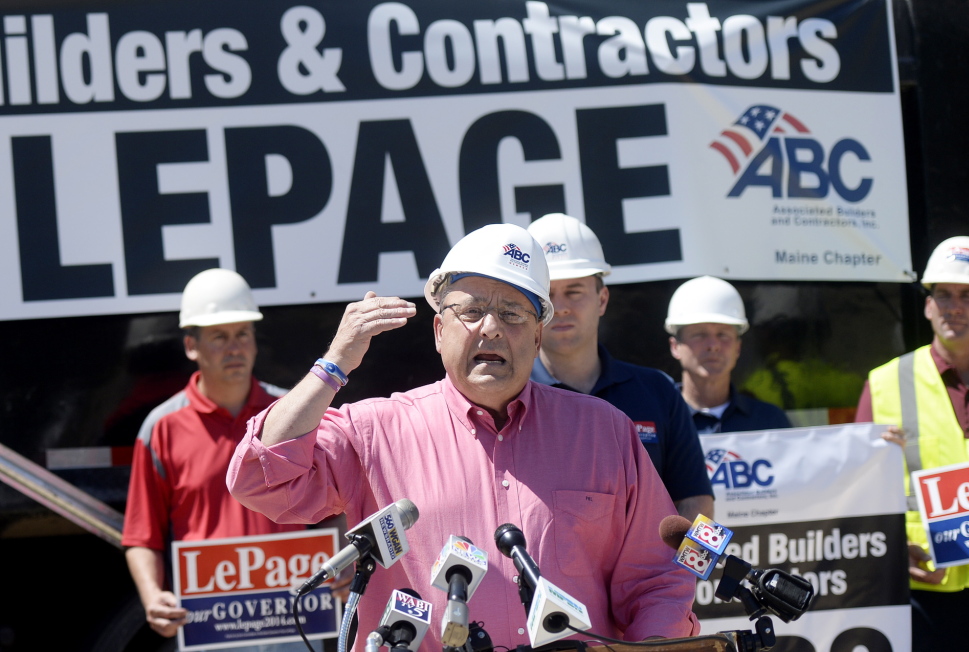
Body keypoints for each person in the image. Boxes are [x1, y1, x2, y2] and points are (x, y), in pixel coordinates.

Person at [227, 223, 700, 652]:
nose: (491, 327)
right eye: (471, 310)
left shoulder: (603, 431)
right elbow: (257, 479)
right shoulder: (375, 431)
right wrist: (333, 366)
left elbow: (659, 577)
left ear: (538, 338)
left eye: (513, 314)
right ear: (438, 330)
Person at [121, 268, 307, 651]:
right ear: (191, 346)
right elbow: (142, 535)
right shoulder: (161, 428)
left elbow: (338, 505)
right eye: (219, 337)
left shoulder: (292, 413)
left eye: (243, 334)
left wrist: (342, 563)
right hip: (209, 631)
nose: (235, 347)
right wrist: (152, 597)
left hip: (293, 624)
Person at [855, 235, 969, 651]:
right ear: (927, 305)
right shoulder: (884, 383)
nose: (953, 305)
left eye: (967, 295)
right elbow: (859, 492)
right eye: (943, 294)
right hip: (925, 593)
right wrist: (892, 549)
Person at [526, 213, 713, 522]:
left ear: (602, 299)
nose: (561, 307)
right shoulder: (507, 396)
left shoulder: (658, 392)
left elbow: (699, 506)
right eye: (547, 293)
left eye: (574, 291)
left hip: (652, 573)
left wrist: (684, 571)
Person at [666, 276, 792, 435]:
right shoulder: (658, 421)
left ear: (738, 347)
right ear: (675, 346)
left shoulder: (770, 421)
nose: (713, 346)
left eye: (723, 335)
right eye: (699, 335)